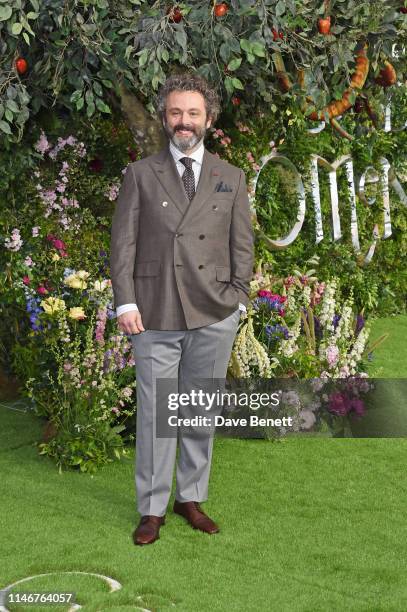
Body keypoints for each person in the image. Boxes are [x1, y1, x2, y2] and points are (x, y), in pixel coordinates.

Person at [110, 72, 254, 545]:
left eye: (193, 113)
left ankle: (190, 498)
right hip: (153, 312)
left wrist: (237, 299)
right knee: (156, 413)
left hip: (214, 312)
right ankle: (151, 509)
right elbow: (124, 245)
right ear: (165, 117)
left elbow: (242, 247)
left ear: (208, 119)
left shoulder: (230, 177)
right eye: (176, 112)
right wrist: (125, 301)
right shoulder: (140, 174)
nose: (184, 121)